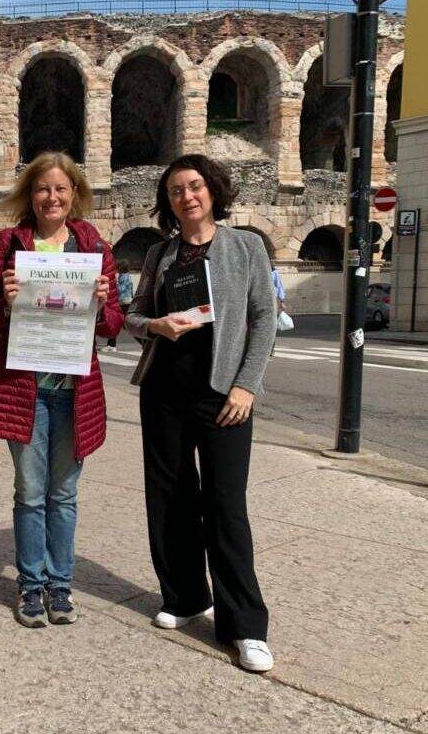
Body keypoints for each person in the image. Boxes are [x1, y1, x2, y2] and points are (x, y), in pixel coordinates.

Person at [125, 154, 277, 673]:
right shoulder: (161, 254)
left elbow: (264, 319)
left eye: (194, 187)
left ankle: (245, 626)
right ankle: (186, 596)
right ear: (167, 202)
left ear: (212, 191)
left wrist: (246, 386)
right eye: (174, 191)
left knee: (225, 504)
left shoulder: (246, 246)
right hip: (165, 390)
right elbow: (133, 315)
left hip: (223, 395)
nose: (186, 197)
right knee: (169, 498)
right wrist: (155, 327)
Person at [0, 152, 124, 627]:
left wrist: (102, 304)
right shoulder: (7, 243)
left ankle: (60, 586)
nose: (52, 197)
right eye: (43, 188)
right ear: (30, 194)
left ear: (75, 194)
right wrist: (7, 300)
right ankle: (30, 585)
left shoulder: (94, 247)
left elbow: (113, 324)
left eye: (61, 189)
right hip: (25, 388)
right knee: (30, 491)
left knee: (64, 494)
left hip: (74, 389)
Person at [107, 260, 134, 348]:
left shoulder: (124, 277)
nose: (116, 269)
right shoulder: (126, 276)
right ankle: (111, 344)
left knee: (115, 322)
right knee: (121, 322)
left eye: (117, 267)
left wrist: (115, 282)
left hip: (123, 302)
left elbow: (120, 289)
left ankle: (111, 345)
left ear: (120, 268)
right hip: (125, 301)